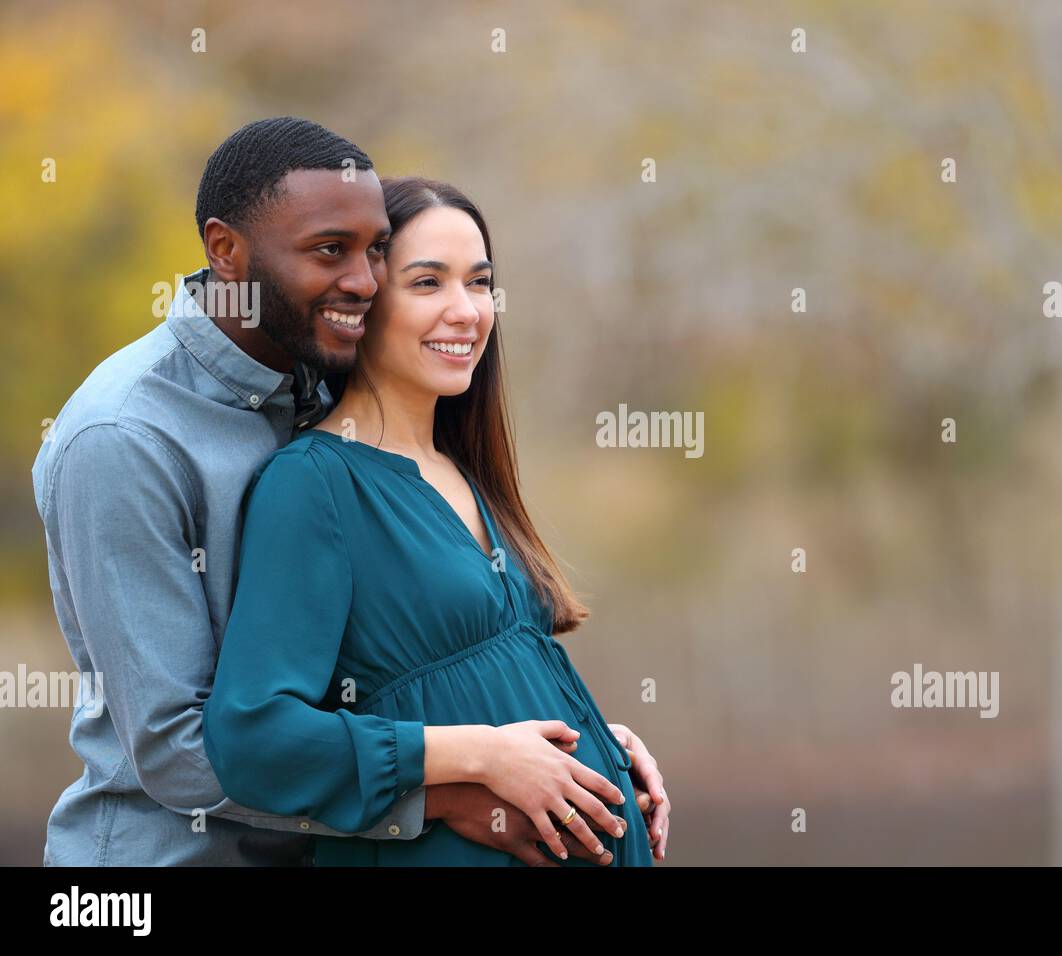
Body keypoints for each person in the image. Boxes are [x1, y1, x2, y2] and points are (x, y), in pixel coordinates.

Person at [32, 116, 668, 865]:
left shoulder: (310, 379)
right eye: (332, 252)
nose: (363, 282)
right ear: (225, 251)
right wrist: (450, 786)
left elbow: (395, 668)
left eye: (374, 252)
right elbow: (181, 752)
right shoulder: (125, 437)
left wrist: (573, 737)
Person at [203, 176, 665, 865]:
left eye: (479, 284)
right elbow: (254, 736)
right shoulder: (315, 485)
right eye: (427, 284)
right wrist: (478, 756)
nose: (466, 311)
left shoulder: (464, 469)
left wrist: (597, 740)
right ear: (362, 303)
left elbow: (485, 682)